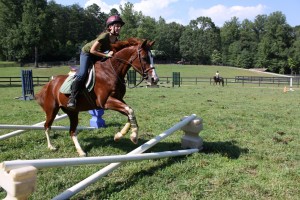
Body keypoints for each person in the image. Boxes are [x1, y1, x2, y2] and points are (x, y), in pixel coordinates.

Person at [67, 15, 125, 109]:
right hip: (87, 53)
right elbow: (92, 51)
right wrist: (106, 55)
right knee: (82, 74)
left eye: (119, 26)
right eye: (117, 26)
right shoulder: (104, 36)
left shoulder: (116, 40)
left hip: (97, 54)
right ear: (110, 27)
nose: (119, 28)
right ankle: (72, 98)